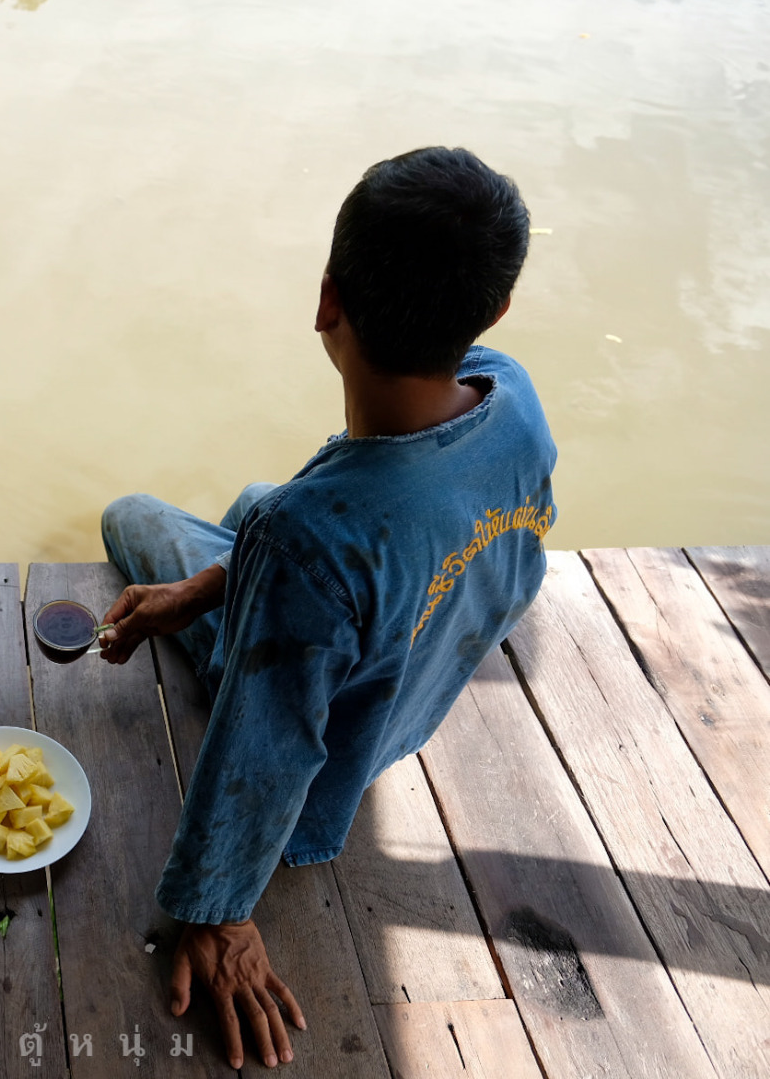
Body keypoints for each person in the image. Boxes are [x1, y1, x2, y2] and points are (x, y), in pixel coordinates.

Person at [95, 146, 556, 1070]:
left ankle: (217, 587)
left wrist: (218, 912)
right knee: (264, 506)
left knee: (137, 516)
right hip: (413, 678)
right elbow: (332, 535)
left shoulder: (306, 543)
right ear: (492, 310)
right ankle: (220, 576)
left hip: (343, 727)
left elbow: (265, 752)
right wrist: (208, 585)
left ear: (326, 301)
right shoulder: (509, 391)